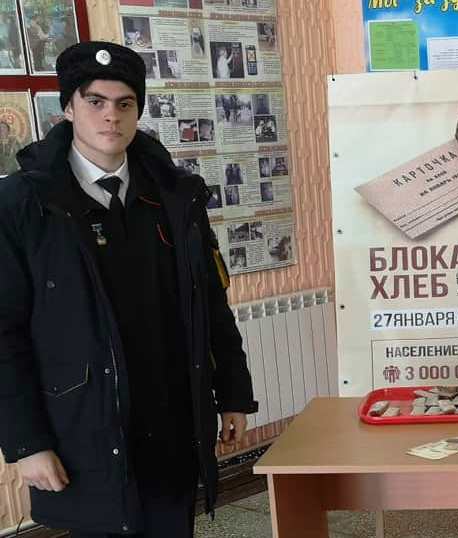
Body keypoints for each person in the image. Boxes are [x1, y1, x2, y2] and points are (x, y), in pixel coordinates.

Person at [0, 42, 257, 537]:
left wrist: (233, 395)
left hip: (173, 422)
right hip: (84, 429)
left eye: (124, 104)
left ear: (138, 110)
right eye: (95, 101)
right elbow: (4, 335)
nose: (110, 116)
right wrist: (26, 443)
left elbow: (211, 306)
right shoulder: (23, 205)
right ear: (68, 107)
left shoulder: (176, 196)